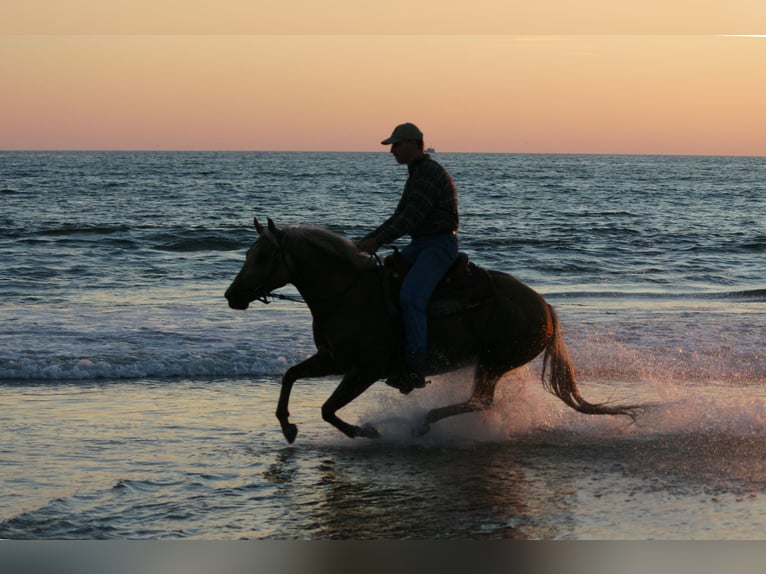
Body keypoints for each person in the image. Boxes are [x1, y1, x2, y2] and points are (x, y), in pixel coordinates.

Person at [356, 122, 459, 391]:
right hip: (421, 243)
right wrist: (367, 239)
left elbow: (411, 217)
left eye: (396, 145)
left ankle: (415, 366)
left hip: (438, 245)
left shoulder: (427, 174)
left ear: (413, 144)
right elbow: (399, 215)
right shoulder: (417, 172)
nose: (392, 151)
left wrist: (377, 240)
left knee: (411, 297)